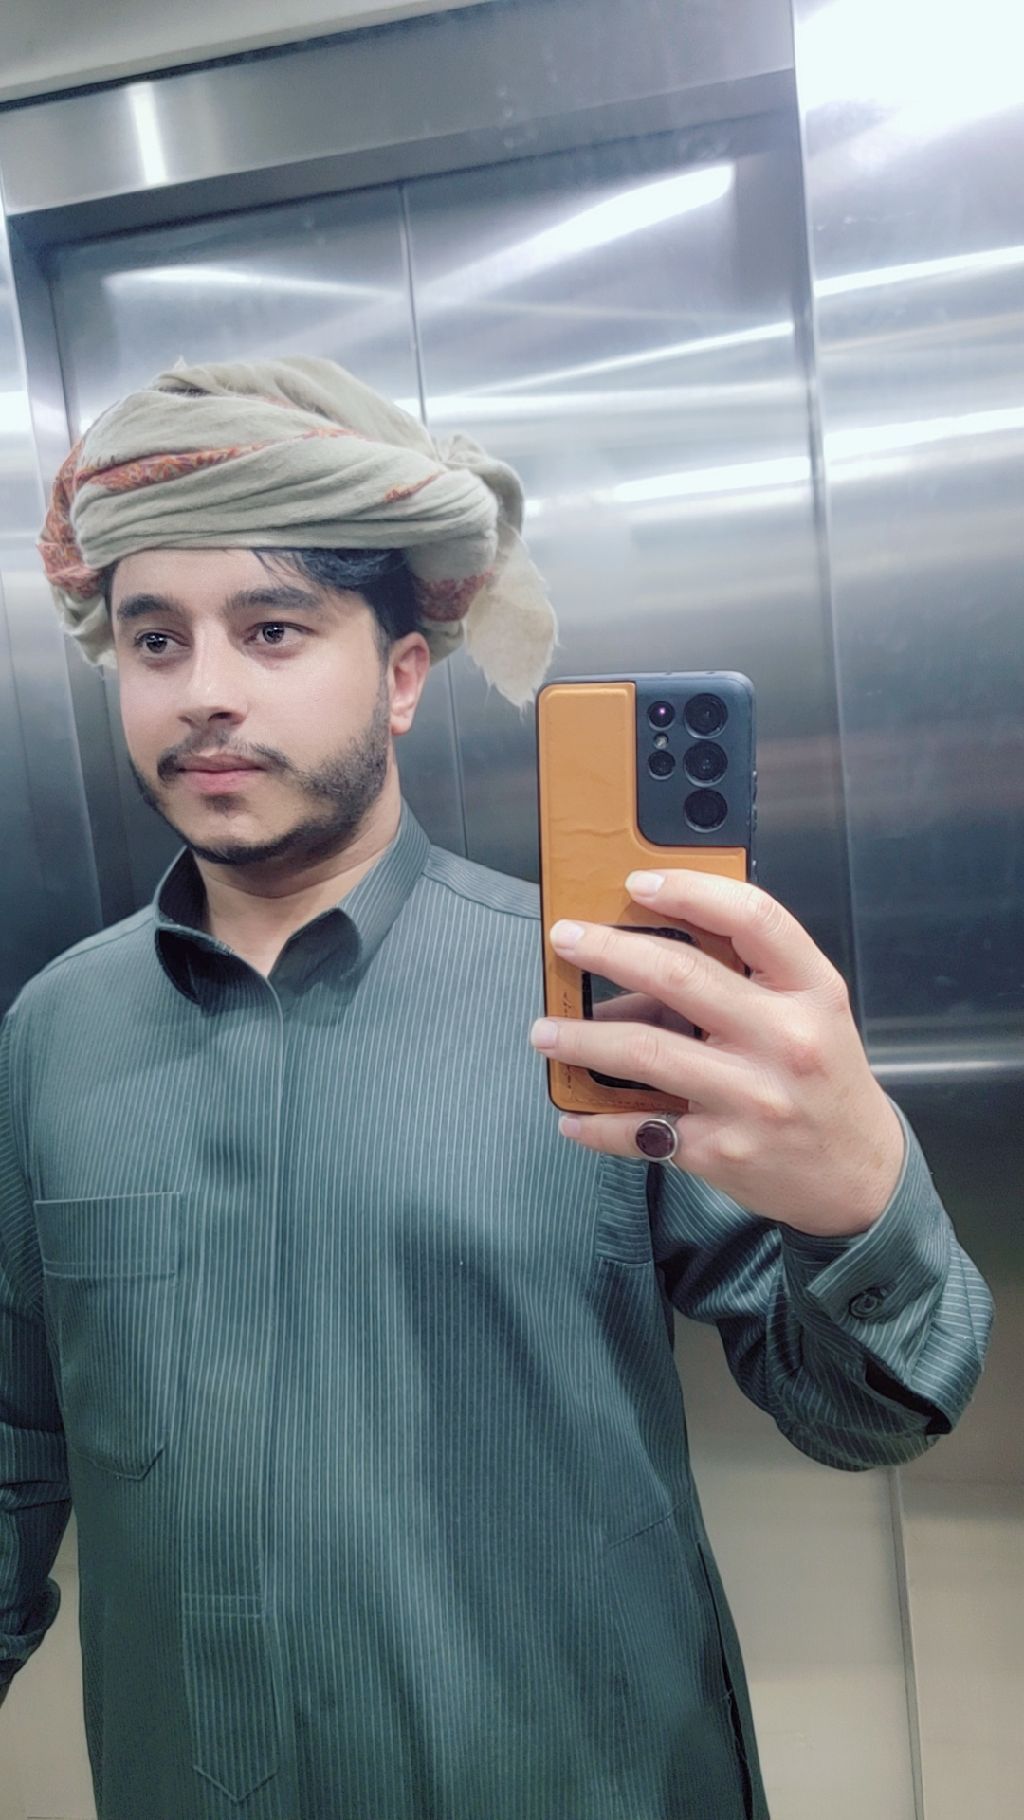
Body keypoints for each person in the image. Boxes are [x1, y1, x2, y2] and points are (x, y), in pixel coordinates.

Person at [0, 357, 992, 1820]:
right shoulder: (54, 1033)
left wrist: (858, 1201)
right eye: (156, 640)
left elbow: (870, 1419)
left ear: (404, 676)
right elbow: (14, 1443)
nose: (204, 691)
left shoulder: (608, 996)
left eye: (272, 630)